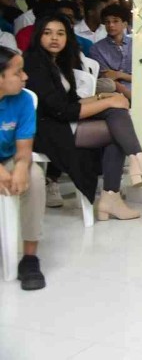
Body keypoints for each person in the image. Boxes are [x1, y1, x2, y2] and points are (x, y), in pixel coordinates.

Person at [24, 14, 142, 219]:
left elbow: (72, 101)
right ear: (38, 36)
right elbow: (62, 111)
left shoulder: (58, 62)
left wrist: (103, 97)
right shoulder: (34, 64)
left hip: (61, 121)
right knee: (115, 128)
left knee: (116, 112)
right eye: (47, 33)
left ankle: (130, 173)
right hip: (47, 129)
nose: (55, 38)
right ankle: (120, 186)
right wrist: (108, 102)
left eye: (60, 33)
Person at [0, 47, 47, 290]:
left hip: (8, 157)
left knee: (35, 176)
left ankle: (29, 258)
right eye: (18, 72)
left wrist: (20, 167)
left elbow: (24, 147)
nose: (25, 76)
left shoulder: (24, 99)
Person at [89, 4, 133, 100]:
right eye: (107, 22)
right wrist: (129, 95)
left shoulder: (135, 45)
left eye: (115, 21)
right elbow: (108, 77)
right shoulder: (96, 48)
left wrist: (120, 75)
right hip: (114, 93)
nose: (111, 25)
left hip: (140, 86)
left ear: (125, 24)